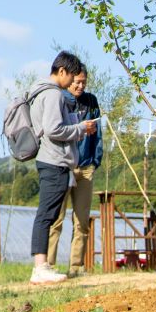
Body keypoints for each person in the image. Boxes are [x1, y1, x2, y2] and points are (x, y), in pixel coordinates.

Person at [28, 51, 95, 284]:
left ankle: (43, 264)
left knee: (48, 215)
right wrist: (80, 129)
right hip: (54, 160)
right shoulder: (54, 95)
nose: (73, 82)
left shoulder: (39, 91)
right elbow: (54, 129)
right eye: (72, 76)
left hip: (48, 159)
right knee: (47, 215)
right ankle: (40, 267)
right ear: (62, 72)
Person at [46, 69, 102, 274]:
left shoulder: (91, 101)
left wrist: (95, 160)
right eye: (77, 82)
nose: (80, 86)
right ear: (68, 80)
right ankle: (49, 265)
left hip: (86, 166)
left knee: (82, 221)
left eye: (84, 82)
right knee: (55, 219)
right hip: (63, 166)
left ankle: (76, 267)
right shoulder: (58, 98)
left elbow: (98, 133)